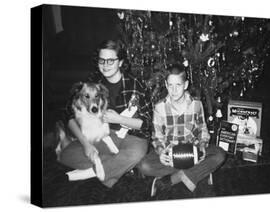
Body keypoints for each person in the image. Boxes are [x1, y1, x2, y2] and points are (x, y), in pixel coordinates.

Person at [59, 39, 152, 188]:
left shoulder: (135, 84)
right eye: (102, 60)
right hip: (103, 135)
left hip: (133, 137)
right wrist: (85, 145)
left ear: (120, 62)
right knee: (66, 155)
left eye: (110, 60)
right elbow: (68, 114)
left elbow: (147, 123)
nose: (105, 65)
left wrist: (119, 118)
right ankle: (115, 167)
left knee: (136, 154)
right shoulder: (92, 82)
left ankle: (91, 171)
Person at [137, 64, 226, 196]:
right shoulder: (159, 107)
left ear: (185, 85)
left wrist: (202, 146)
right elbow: (157, 136)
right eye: (170, 85)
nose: (174, 90)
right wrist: (161, 152)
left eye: (178, 85)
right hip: (171, 153)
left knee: (220, 155)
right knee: (144, 166)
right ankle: (197, 172)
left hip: (193, 152)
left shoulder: (196, 104)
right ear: (166, 85)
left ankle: (174, 178)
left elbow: (202, 129)